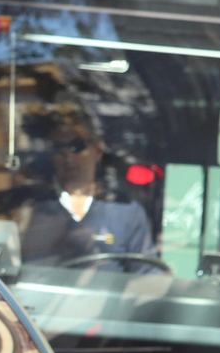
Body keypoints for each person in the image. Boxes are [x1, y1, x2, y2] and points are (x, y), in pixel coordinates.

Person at [19, 112, 154, 265]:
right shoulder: (28, 207)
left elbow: (146, 275)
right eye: (58, 148)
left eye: (77, 146)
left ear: (98, 150)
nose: (68, 157)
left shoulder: (126, 210)